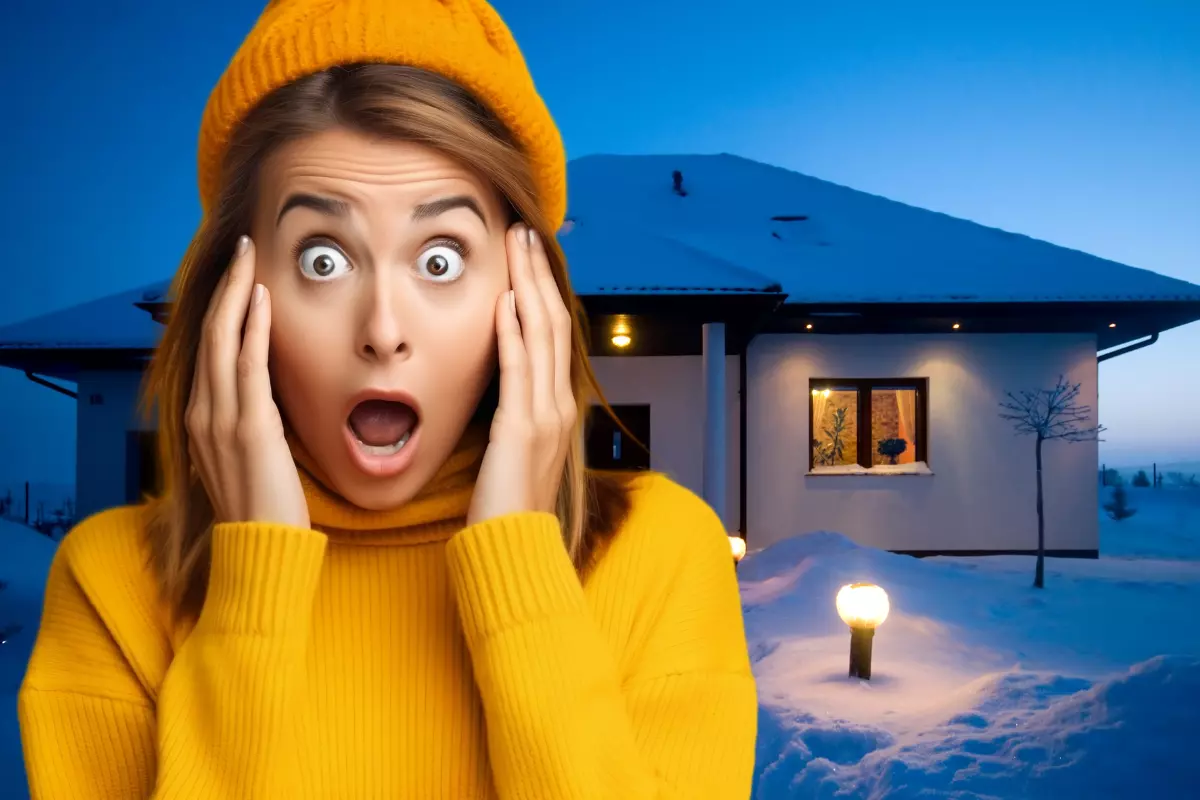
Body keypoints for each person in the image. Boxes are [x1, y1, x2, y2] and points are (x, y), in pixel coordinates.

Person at [18, 0, 758, 797]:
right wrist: (251, 588)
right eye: (323, 261)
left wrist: (518, 558)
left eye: (440, 260)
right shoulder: (110, 586)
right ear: (235, 293)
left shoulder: (662, 557)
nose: (382, 330)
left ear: (525, 293)